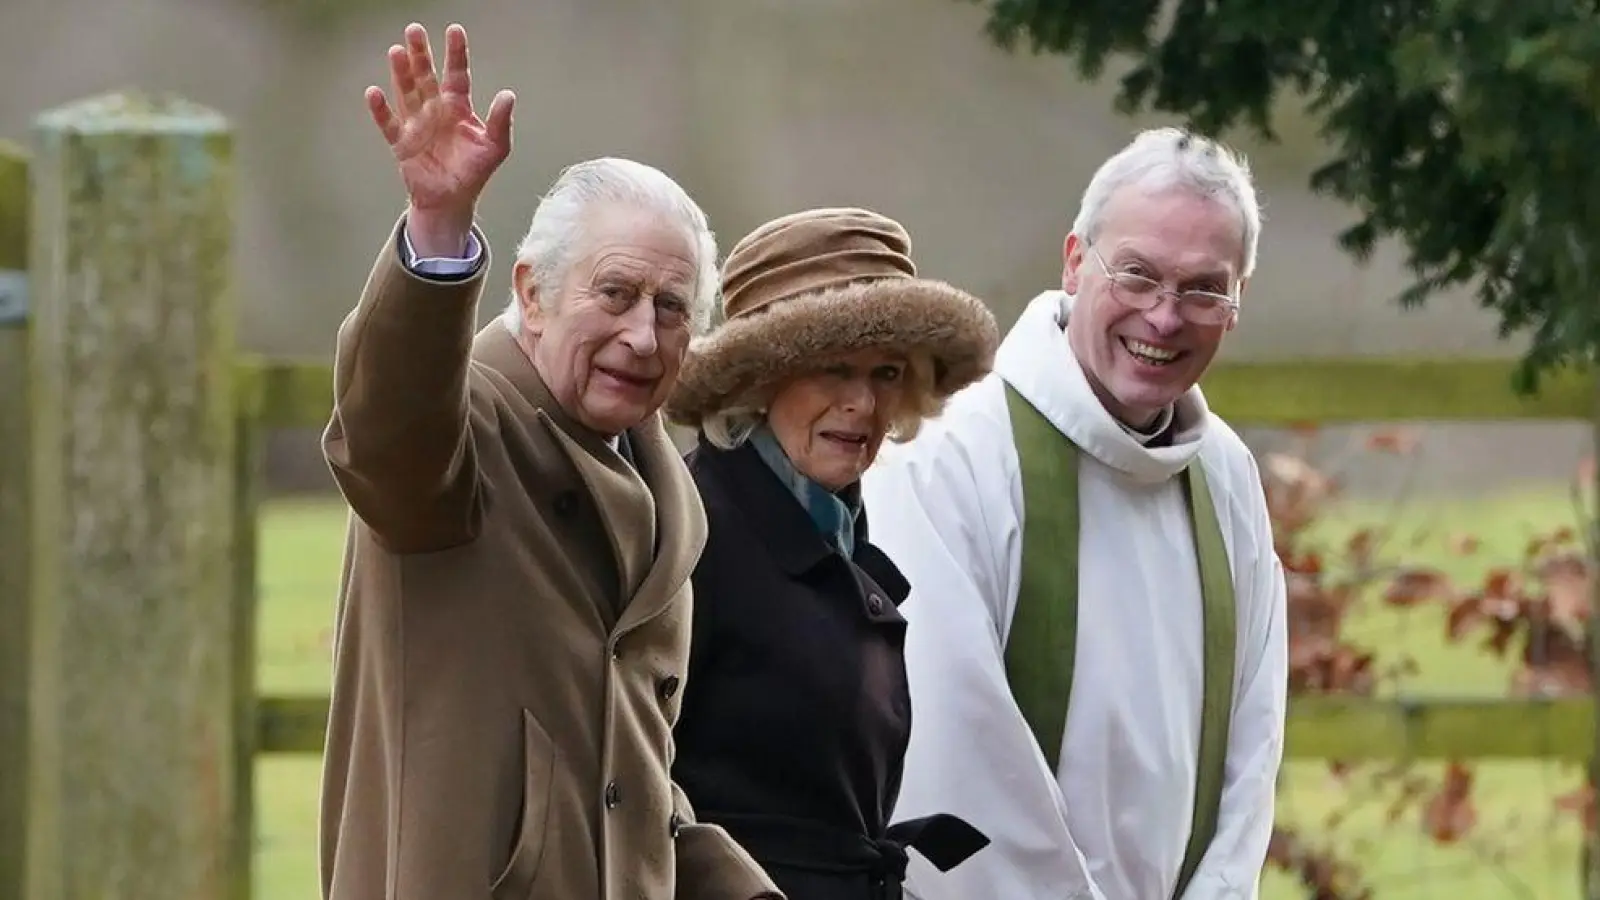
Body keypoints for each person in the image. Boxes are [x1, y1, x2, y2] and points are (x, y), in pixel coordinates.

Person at [318, 21, 782, 900]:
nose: (643, 335)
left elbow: (624, 772)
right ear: (530, 292)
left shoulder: (665, 490)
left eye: (673, 308)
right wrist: (437, 230)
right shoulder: (465, 432)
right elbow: (384, 433)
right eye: (614, 293)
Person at [858, 128, 1290, 900]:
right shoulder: (951, 454)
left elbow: (1254, 746)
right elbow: (950, 740)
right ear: (1074, 260)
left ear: (1236, 305)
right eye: (1137, 275)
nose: (1163, 318)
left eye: (1201, 289)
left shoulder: (1225, 477)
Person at [662, 208, 999, 900]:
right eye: (833, 369)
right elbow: (633, 783)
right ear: (759, 381)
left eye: (884, 373)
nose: (862, 403)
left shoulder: (831, 528)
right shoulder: (694, 534)